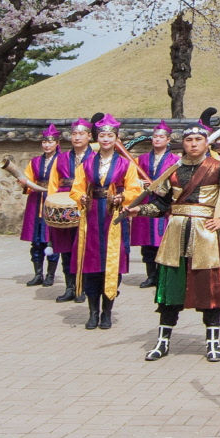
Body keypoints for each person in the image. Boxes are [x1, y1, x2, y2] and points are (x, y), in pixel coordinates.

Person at [140, 116, 220, 363]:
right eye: (189, 140)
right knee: (170, 288)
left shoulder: (219, 167)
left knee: (210, 288)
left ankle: (213, 343)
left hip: (205, 233)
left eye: (198, 140)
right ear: (182, 143)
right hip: (176, 232)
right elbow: (160, 204)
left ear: (207, 143)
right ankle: (163, 342)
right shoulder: (172, 170)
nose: (193, 144)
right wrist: (138, 210)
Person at [69, 118, 144, 329]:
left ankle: (107, 311)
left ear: (116, 138)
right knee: (91, 264)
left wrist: (123, 198)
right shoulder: (86, 163)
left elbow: (134, 190)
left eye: (110, 135)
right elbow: (77, 187)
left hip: (114, 218)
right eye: (102, 135)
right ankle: (93, 311)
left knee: (112, 264)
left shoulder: (126, 164)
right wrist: (80, 197)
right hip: (92, 217)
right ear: (96, 138)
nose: (106, 139)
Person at [12, 126, 64, 287]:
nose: (47, 145)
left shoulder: (63, 160)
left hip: (54, 200)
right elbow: (29, 180)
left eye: (50, 142)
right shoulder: (35, 161)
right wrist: (24, 183)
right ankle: (38, 273)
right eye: (44, 142)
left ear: (57, 143)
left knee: (52, 239)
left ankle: (50, 274)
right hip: (37, 201)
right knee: (36, 241)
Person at [130, 123, 181, 287]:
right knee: (147, 242)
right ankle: (151, 274)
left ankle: (162, 275)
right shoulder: (141, 159)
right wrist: (141, 183)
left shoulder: (176, 161)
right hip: (146, 202)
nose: (157, 139)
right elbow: (132, 179)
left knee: (163, 240)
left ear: (168, 140)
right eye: (155, 136)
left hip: (164, 203)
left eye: (161, 137)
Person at [47, 120, 92, 300]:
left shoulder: (95, 158)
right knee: (66, 248)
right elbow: (53, 185)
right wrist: (52, 205)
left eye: (81, 134)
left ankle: (83, 287)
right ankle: (70, 286)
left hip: (86, 204)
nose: (77, 137)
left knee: (84, 247)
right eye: (74, 134)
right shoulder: (61, 158)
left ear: (89, 136)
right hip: (64, 205)